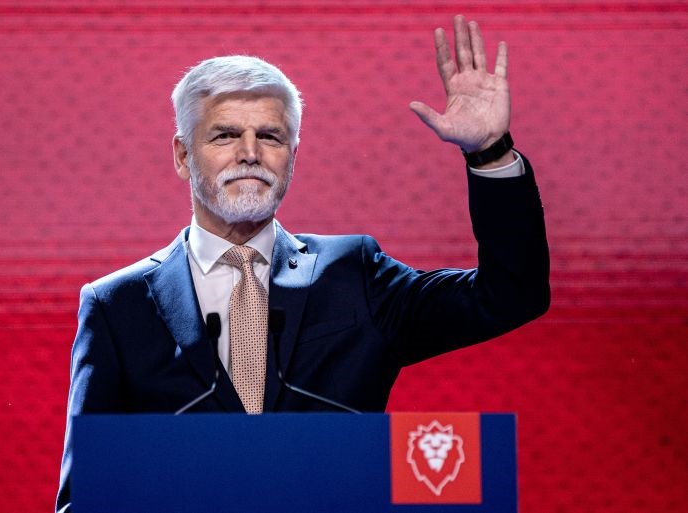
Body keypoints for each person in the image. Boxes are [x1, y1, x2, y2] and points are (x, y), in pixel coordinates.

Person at [56, 15, 549, 512]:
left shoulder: (355, 274)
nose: (250, 153)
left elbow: (509, 295)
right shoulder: (116, 305)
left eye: (270, 137)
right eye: (225, 136)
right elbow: (84, 498)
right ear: (184, 156)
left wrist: (489, 153)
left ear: (293, 155)